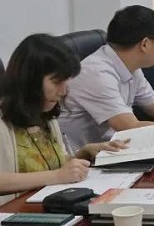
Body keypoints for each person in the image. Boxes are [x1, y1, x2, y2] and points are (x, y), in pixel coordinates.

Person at [0, 35, 128, 205]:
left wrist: (84, 153)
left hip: (51, 206)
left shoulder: (45, 116)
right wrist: (56, 176)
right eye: (57, 82)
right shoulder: (3, 121)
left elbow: (52, 164)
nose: (63, 91)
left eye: (66, 83)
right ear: (30, 80)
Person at [59, 5, 154, 149]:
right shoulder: (98, 73)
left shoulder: (131, 66)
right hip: (83, 157)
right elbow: (130, 127)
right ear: (145, 44)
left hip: (113, 149)